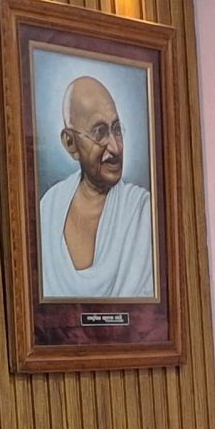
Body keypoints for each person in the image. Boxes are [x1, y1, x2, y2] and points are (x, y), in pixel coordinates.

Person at [38, 76, 156, 300]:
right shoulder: (48, 210)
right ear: (70, 143)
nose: (116, 147)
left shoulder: (142, 211)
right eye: (100, 132)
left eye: (117, 129)